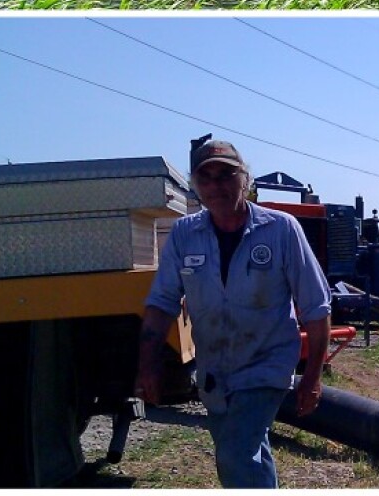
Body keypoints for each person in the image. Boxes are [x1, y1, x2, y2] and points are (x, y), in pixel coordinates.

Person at [134, 137, 332, 488]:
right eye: (205, 177)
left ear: (246, 180)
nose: (215, 186)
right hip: (215, 371)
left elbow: (316, 308)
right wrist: (148, 364)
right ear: (194, 185)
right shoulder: (184, 234)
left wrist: (313, 376)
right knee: (246, 450)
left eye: (226, 175)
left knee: (237, 453)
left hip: (266, 366)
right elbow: (162, 302)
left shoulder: (281, 230)